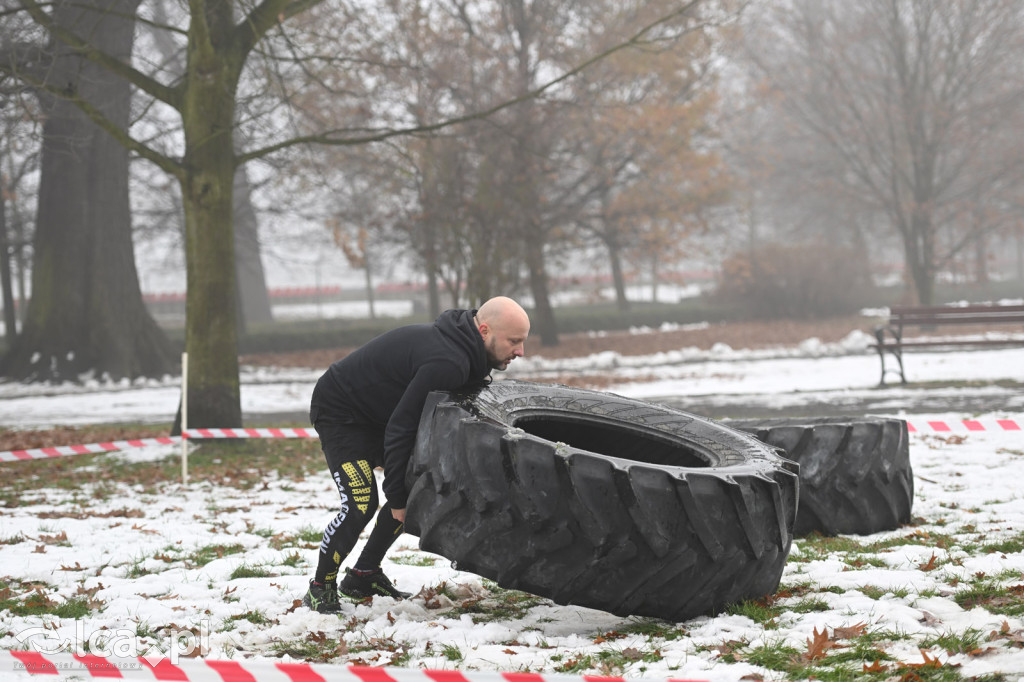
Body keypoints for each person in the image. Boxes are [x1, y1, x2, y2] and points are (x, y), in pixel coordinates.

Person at [302, 296, 531, 613]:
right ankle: (320, 587)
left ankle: (363, 576)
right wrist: (395, 497)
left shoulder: (467, 354)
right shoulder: (448, 362)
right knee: (361, 502)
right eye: (514, 341)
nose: (520, 351)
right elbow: (401, 428)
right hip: (342, 412)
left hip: (379, 413)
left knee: (413, 491)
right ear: (484, 330)